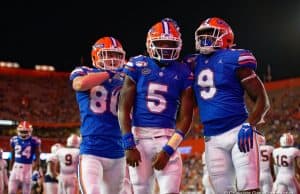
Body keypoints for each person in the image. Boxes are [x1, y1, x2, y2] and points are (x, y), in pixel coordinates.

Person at [184, 17, 270, 193]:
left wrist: (249, 125)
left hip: (238, 131)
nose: (204, 38)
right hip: (211, 138)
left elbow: (263, 100)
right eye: (202, 34)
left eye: (210, 33)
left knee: (249, 189)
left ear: (226, 38)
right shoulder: (193, 62)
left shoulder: (235, 59)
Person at [118, 18, 194, 194]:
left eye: (170, 43)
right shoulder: (138, 65)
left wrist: (168, 149)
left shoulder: (183, 71)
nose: (166, 48)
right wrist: (129, 144)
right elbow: (123, 108)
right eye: (162, 42)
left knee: (171, 191)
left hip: (167, 137)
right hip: (139, 138)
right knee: (141, 191)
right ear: (150, 43)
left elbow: (186, 118)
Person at [70, 36, 126, 194]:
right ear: (96, 55)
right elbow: (79, 84)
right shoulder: (84, 72)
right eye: (108, 54)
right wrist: (110, 73)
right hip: (92, 150)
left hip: (118, 151)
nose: (113, 59)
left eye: (116, 55)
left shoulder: (125, 78)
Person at [8, 121, 41, 194]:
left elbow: (38, 157)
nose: (23, 133)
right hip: (15, 167)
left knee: (26, 192)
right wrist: (10, 169)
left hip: (28, 168)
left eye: (25, 131)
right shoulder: (14, 140)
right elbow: (12, 155)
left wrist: (36, 170)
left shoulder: (34, 141)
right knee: (11, 191)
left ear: (30, 131)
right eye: (22, 131)